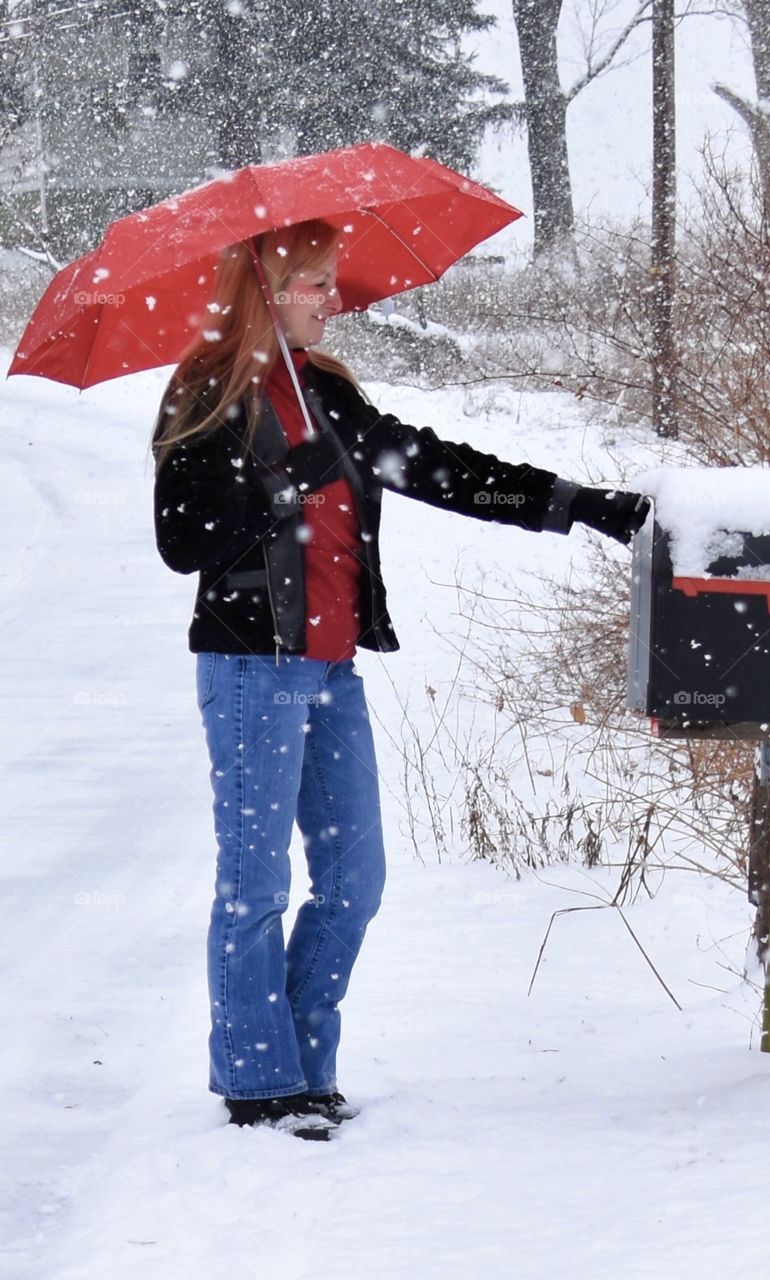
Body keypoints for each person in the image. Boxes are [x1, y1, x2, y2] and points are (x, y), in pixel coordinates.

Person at [150, 217, 648, 1140]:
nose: (330, 298)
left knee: (354, 882)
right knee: (255, 884)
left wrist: (576, 506)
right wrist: (275, 487)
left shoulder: (329, 393)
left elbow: (436, 468)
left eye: (331, 281)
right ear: (266, 287)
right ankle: (260, 1085)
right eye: (314, 283)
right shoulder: (209, 396)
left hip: (331, 670)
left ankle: (299, 1059)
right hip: (252, 667)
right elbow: (182, 542)